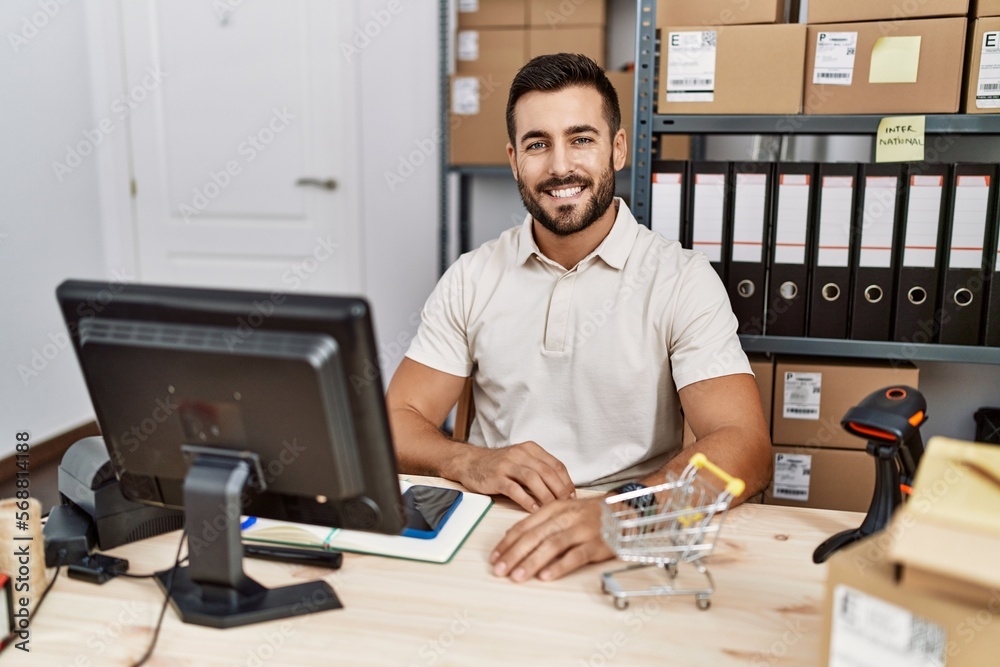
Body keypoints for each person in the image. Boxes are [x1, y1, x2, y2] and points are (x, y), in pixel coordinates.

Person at [385, 53, 771, 583]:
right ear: (515, 160)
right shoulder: (472, 276)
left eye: (581, 138)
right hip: (492, 533)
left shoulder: (681, 279)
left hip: (628, 531)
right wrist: (469, 462)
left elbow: (745, 444)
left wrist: (625, 515)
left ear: (616, 149)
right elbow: (396, 421)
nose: (560, 166)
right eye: (537, 144)